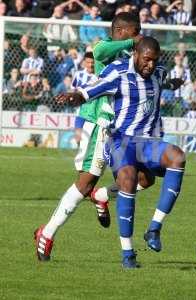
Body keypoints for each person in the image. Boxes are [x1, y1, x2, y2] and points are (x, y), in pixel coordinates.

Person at [56, 37, 186, 269]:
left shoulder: (158, 72)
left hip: (149, 142)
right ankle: (128, 254)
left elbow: (164, 82)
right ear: (136, 54)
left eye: (155, 61)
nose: (151, 66)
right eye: (147, 60)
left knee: (177, 157)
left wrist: (175, 83)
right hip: (120, 142)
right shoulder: (118, 72)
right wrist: (75, 96)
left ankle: (154, 228)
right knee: (128, 181)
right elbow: (90, 92)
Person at [33, 12, 145, 262]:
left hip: (128, 129)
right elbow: (100, 50)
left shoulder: (132, 55)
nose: (140, 33)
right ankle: (47, 233)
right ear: (121, 31)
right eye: (135, 29)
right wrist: (134, 42)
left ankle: (103, 195)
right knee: (84, 183)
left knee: (145, 178)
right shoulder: (106, 48)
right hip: (102, 127)